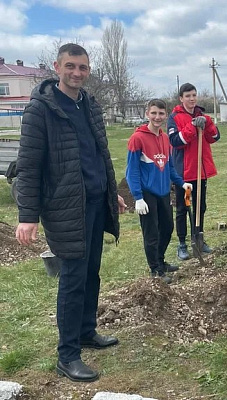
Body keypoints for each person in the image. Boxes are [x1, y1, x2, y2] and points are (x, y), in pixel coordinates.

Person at [15, 43, 127, 383]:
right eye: (70, 66)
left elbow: (100, 154)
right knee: (73, 278)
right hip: (66, 208)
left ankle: (85, 331)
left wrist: (113, 194)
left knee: (91, 273)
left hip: (95, 202)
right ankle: (67, 355)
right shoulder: (41, 110)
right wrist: (27, 215)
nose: (76, 73)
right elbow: (29, 166)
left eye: (82, 67)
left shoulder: (90, 105)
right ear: (57, 66)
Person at [126, 99, 192, 282]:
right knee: (151, 233)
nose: (157, 117)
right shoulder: (137, 138)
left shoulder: (165, 138)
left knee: (167, 228)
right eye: (153, 113)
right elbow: (132, 171)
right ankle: (155, 270)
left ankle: (161, 261)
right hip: (147, 194)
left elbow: (169, 167)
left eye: (161, 114)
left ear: (166, 115)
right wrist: (138, 197)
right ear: (147, 114)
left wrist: (181, 183)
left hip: (163, 192)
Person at [168, 83, 220, 260]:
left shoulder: (202, 115)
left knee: (200, 207)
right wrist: (192, 126)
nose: (191, 99)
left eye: (194, 95)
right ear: (181, 98)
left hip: (200, 172)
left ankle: (199, 239)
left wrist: (207, 124)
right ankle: (182, 243)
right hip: (185, 177)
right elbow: (176, 141)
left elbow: (214, 137)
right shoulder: (175, 118)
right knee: (185, 207)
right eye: (188, 96)